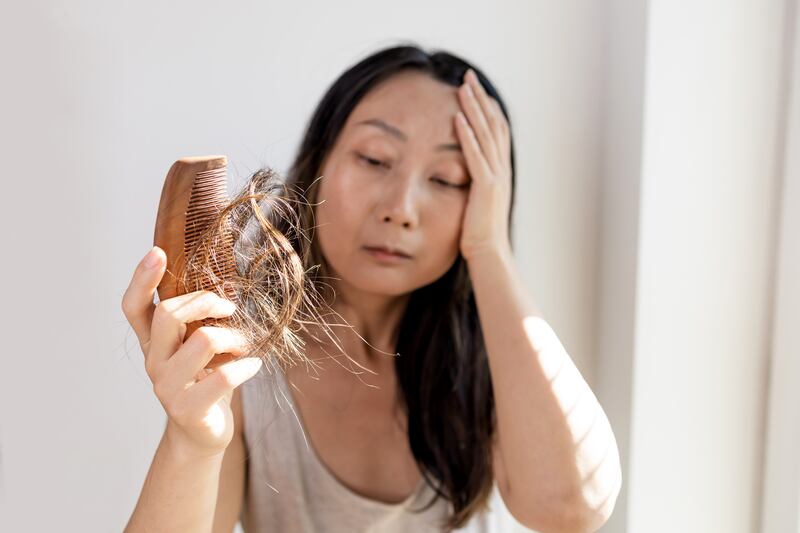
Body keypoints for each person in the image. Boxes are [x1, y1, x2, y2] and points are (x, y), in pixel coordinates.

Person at [121, 43, 621, 533]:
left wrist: (489, 248)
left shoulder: (497, 358)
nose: (401, 208)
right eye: (376, 160)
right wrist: (194, 442)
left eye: (448, 179)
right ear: (318, 163)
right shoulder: (240, 357)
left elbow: (570, 510)